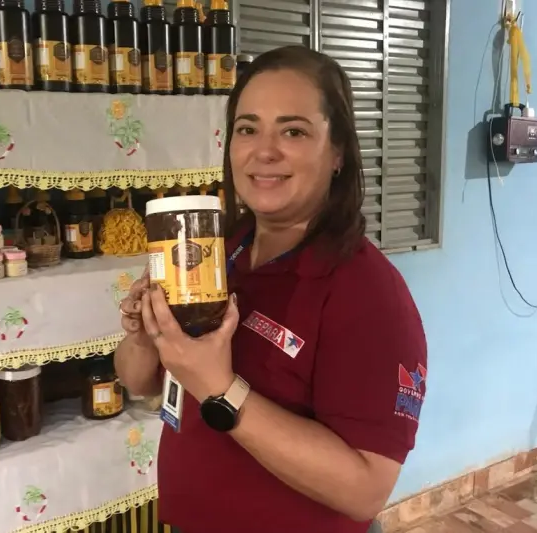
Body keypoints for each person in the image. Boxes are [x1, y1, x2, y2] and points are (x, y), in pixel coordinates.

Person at [115, 45, 427, 533]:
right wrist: (143, 334)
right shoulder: (218, 252)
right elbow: (143, 382)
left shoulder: (368, 294)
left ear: (338, 152)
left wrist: (221, 390)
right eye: (247, 129)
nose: (264, 151)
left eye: (293, 131)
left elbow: (366, 490)